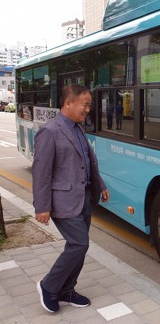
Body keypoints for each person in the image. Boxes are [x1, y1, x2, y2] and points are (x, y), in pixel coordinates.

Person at [33, 84, 110, 313]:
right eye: (85, 105)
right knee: (79, 244)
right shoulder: (50, 131)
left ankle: (67, 290)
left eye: (89, 105)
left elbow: (88, 161)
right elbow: (41, 171)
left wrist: (100, 185)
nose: (88, 109)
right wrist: (42, 206)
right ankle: (48, 286)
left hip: (83, 197)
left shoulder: (77, 128)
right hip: (63, 200)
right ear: (68, 103)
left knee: (80, 246)